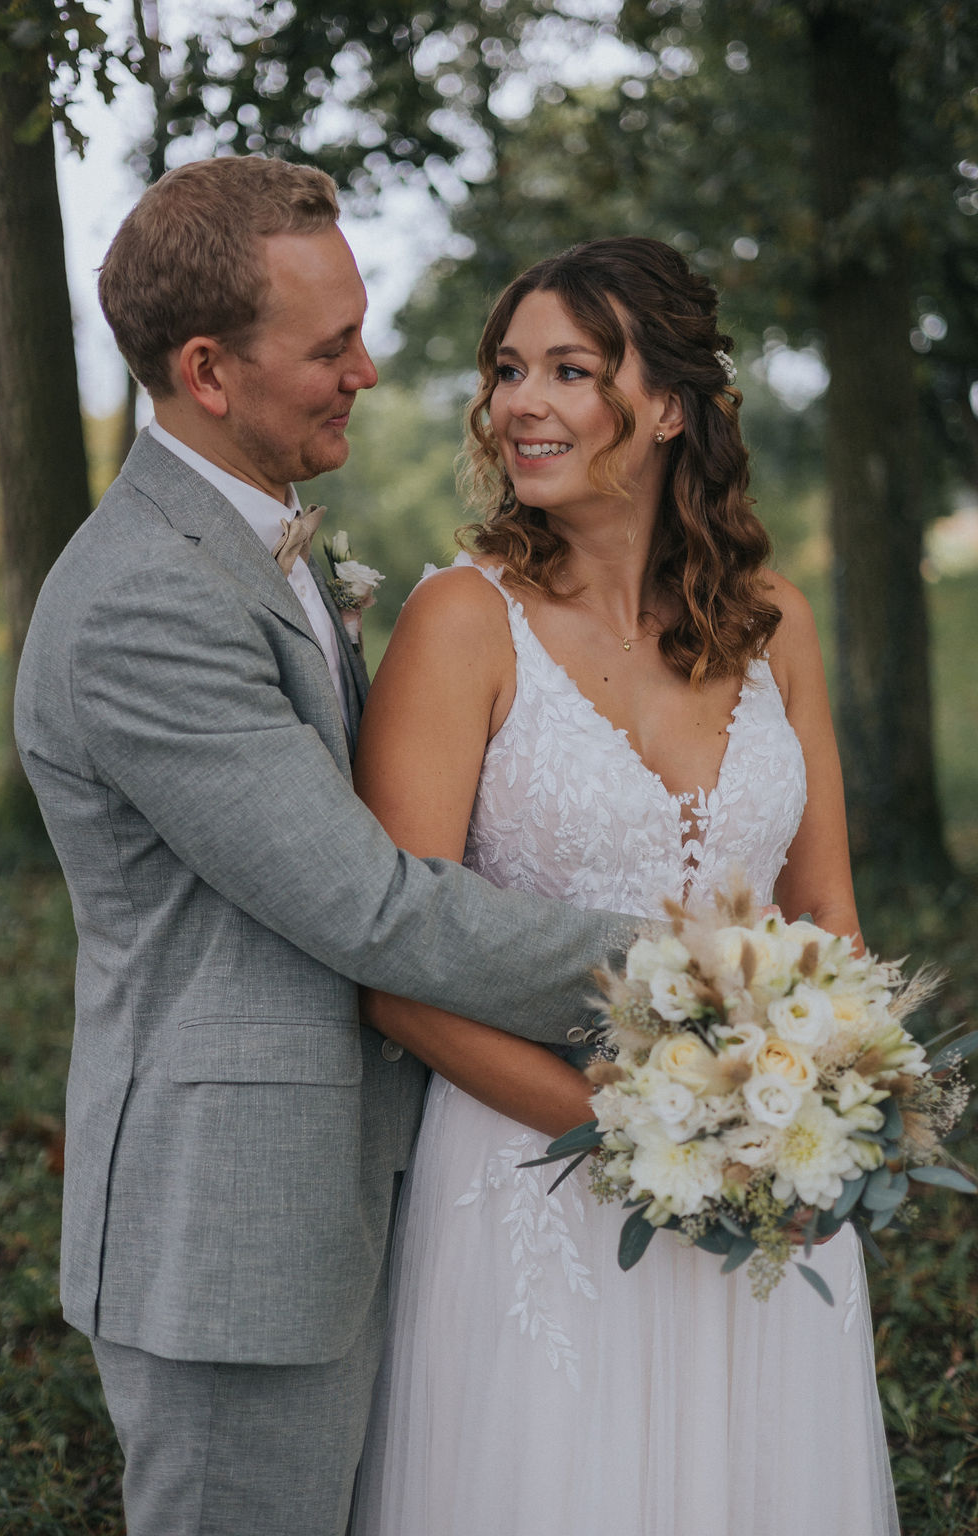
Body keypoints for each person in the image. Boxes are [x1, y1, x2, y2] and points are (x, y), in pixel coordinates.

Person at [12, 158, 635, 1536]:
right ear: (207, 371)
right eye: (330, 345)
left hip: (340, 1199)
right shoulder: (143, 600)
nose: (368, 369)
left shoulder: (257, 544)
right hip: (231, 1233)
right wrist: (680, 973)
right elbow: (372, 909)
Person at [348, 237, 900, 1534]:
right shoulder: (460, 623)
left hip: (761, 1186)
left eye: (569, 370)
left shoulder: (774, 623)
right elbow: (397, 976)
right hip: (533, 1184)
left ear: (667, 408)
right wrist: (644, 1140)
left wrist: (810, 1127)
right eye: (507, 371)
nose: (519, 404)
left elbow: (827, 922)